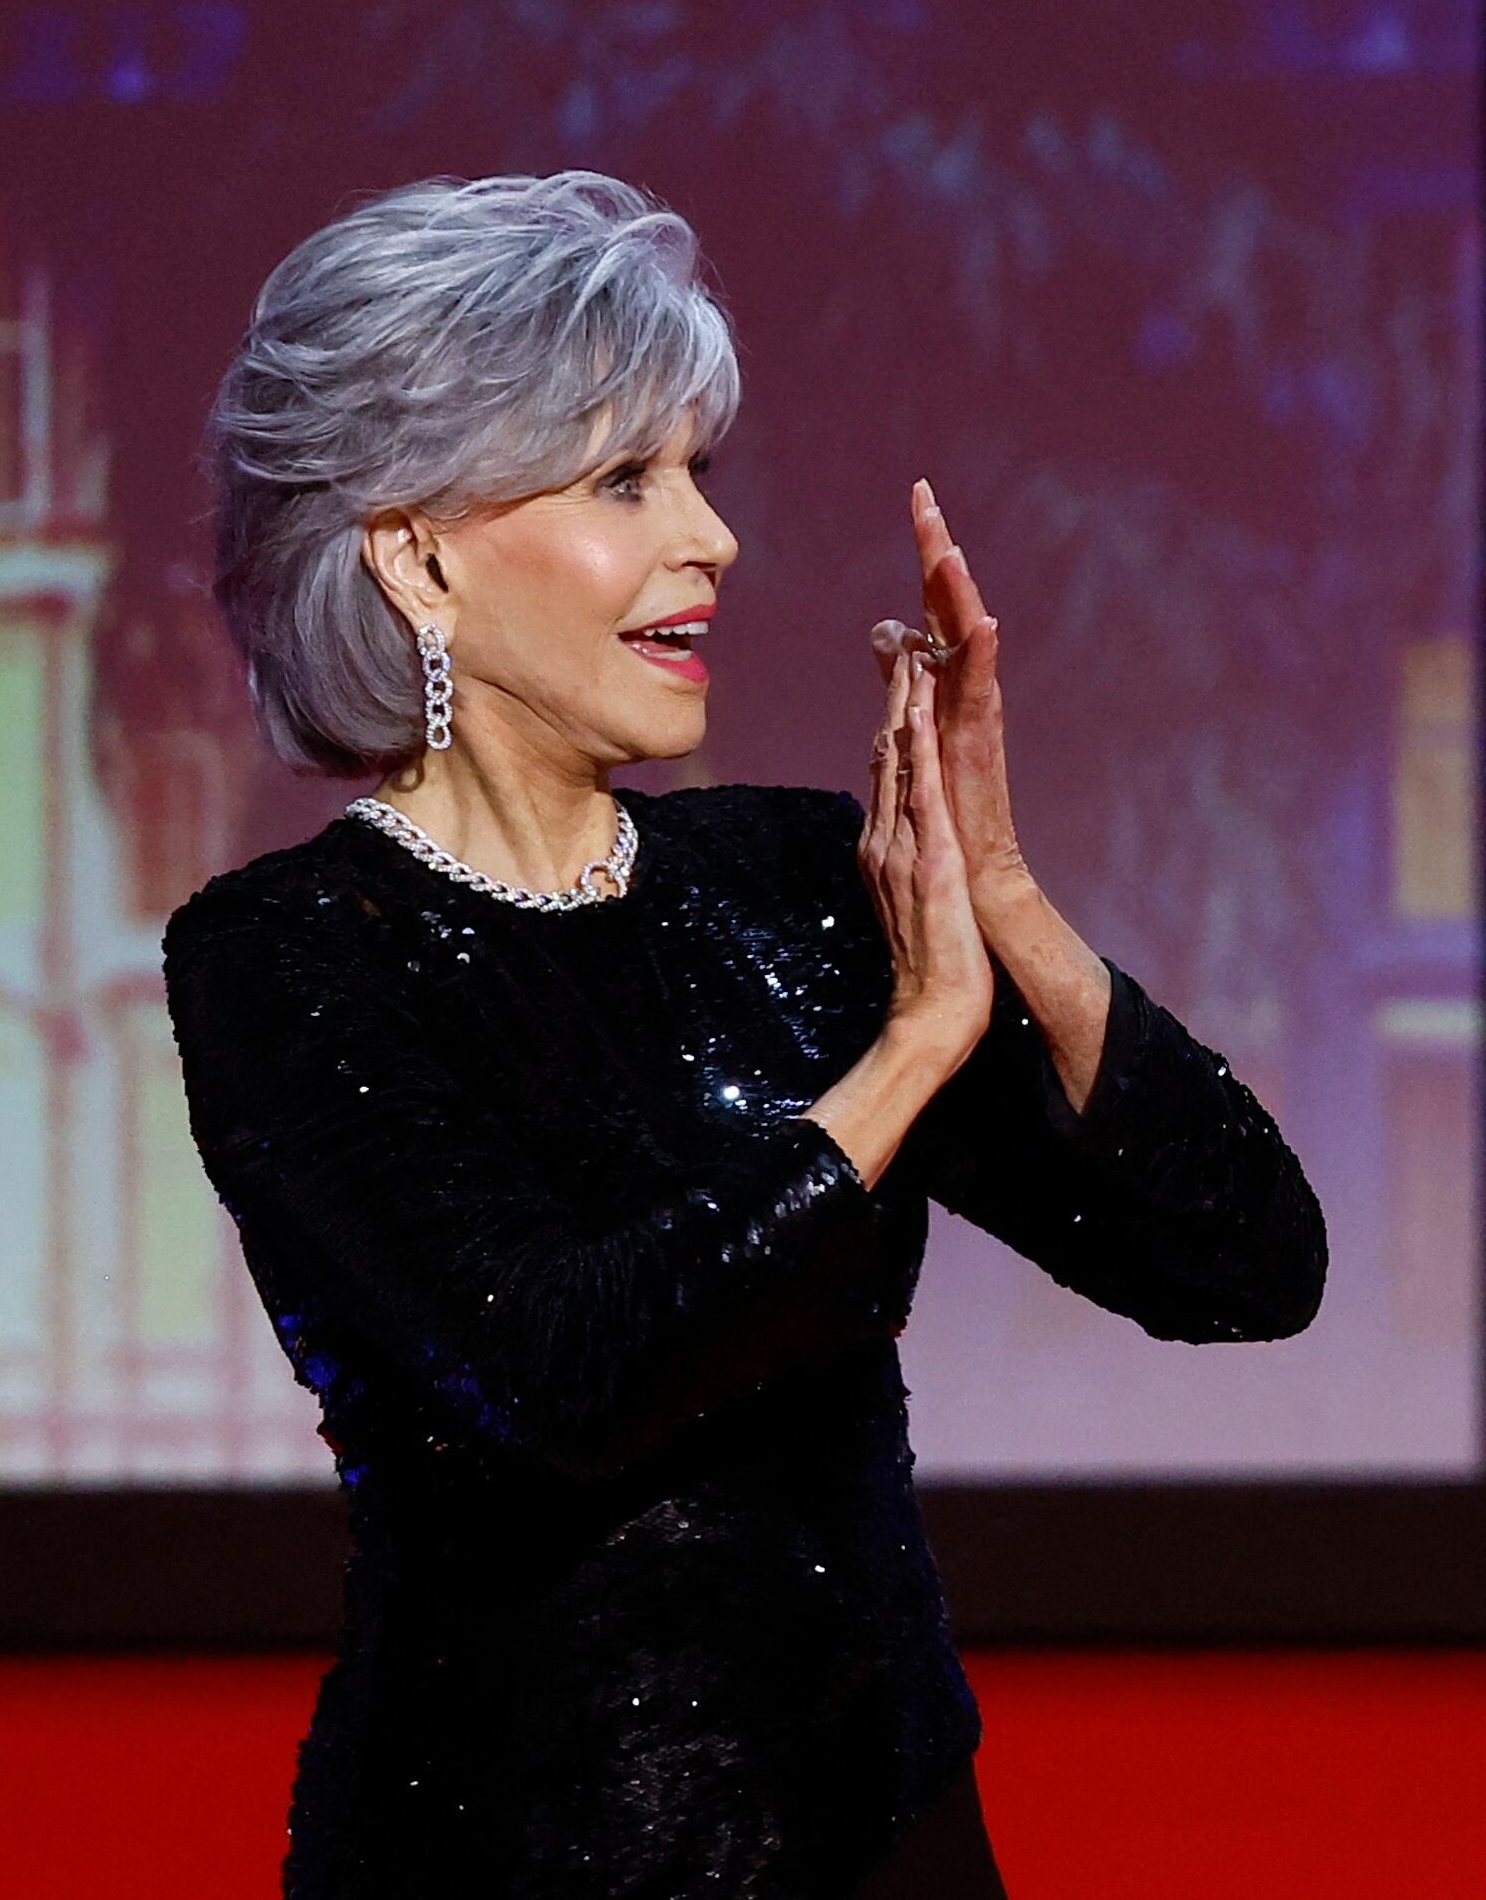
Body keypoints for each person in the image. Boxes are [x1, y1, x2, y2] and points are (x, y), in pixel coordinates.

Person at [167, 174, 1328, 1900]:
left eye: (697, 473)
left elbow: (1248, 1261)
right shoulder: (286, 960)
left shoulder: (795, 882)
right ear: (414, 551)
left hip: (892, 1840)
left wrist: (1003, 898)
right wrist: (909, 1050)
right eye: (628, 479)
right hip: (508, 1860)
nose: (710, 536)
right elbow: (564, 1379)